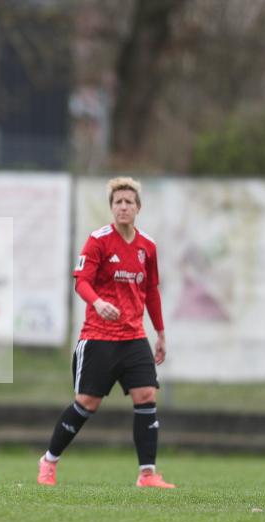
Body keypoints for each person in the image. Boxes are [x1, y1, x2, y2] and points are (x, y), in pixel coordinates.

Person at [37, 176, 174, 488]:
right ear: (112, 207)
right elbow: (81, 281)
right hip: (98, 337)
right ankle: (49, 461)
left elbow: (151, 292)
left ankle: (147, 474)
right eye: (118, 202)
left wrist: (161, 333)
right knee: (87, 402)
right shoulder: (98, 241)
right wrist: (97, 303)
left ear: (138, 208)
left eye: (129, 202)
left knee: (146, 395)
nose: (123, 207)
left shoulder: (147, 247)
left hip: (134, 337)